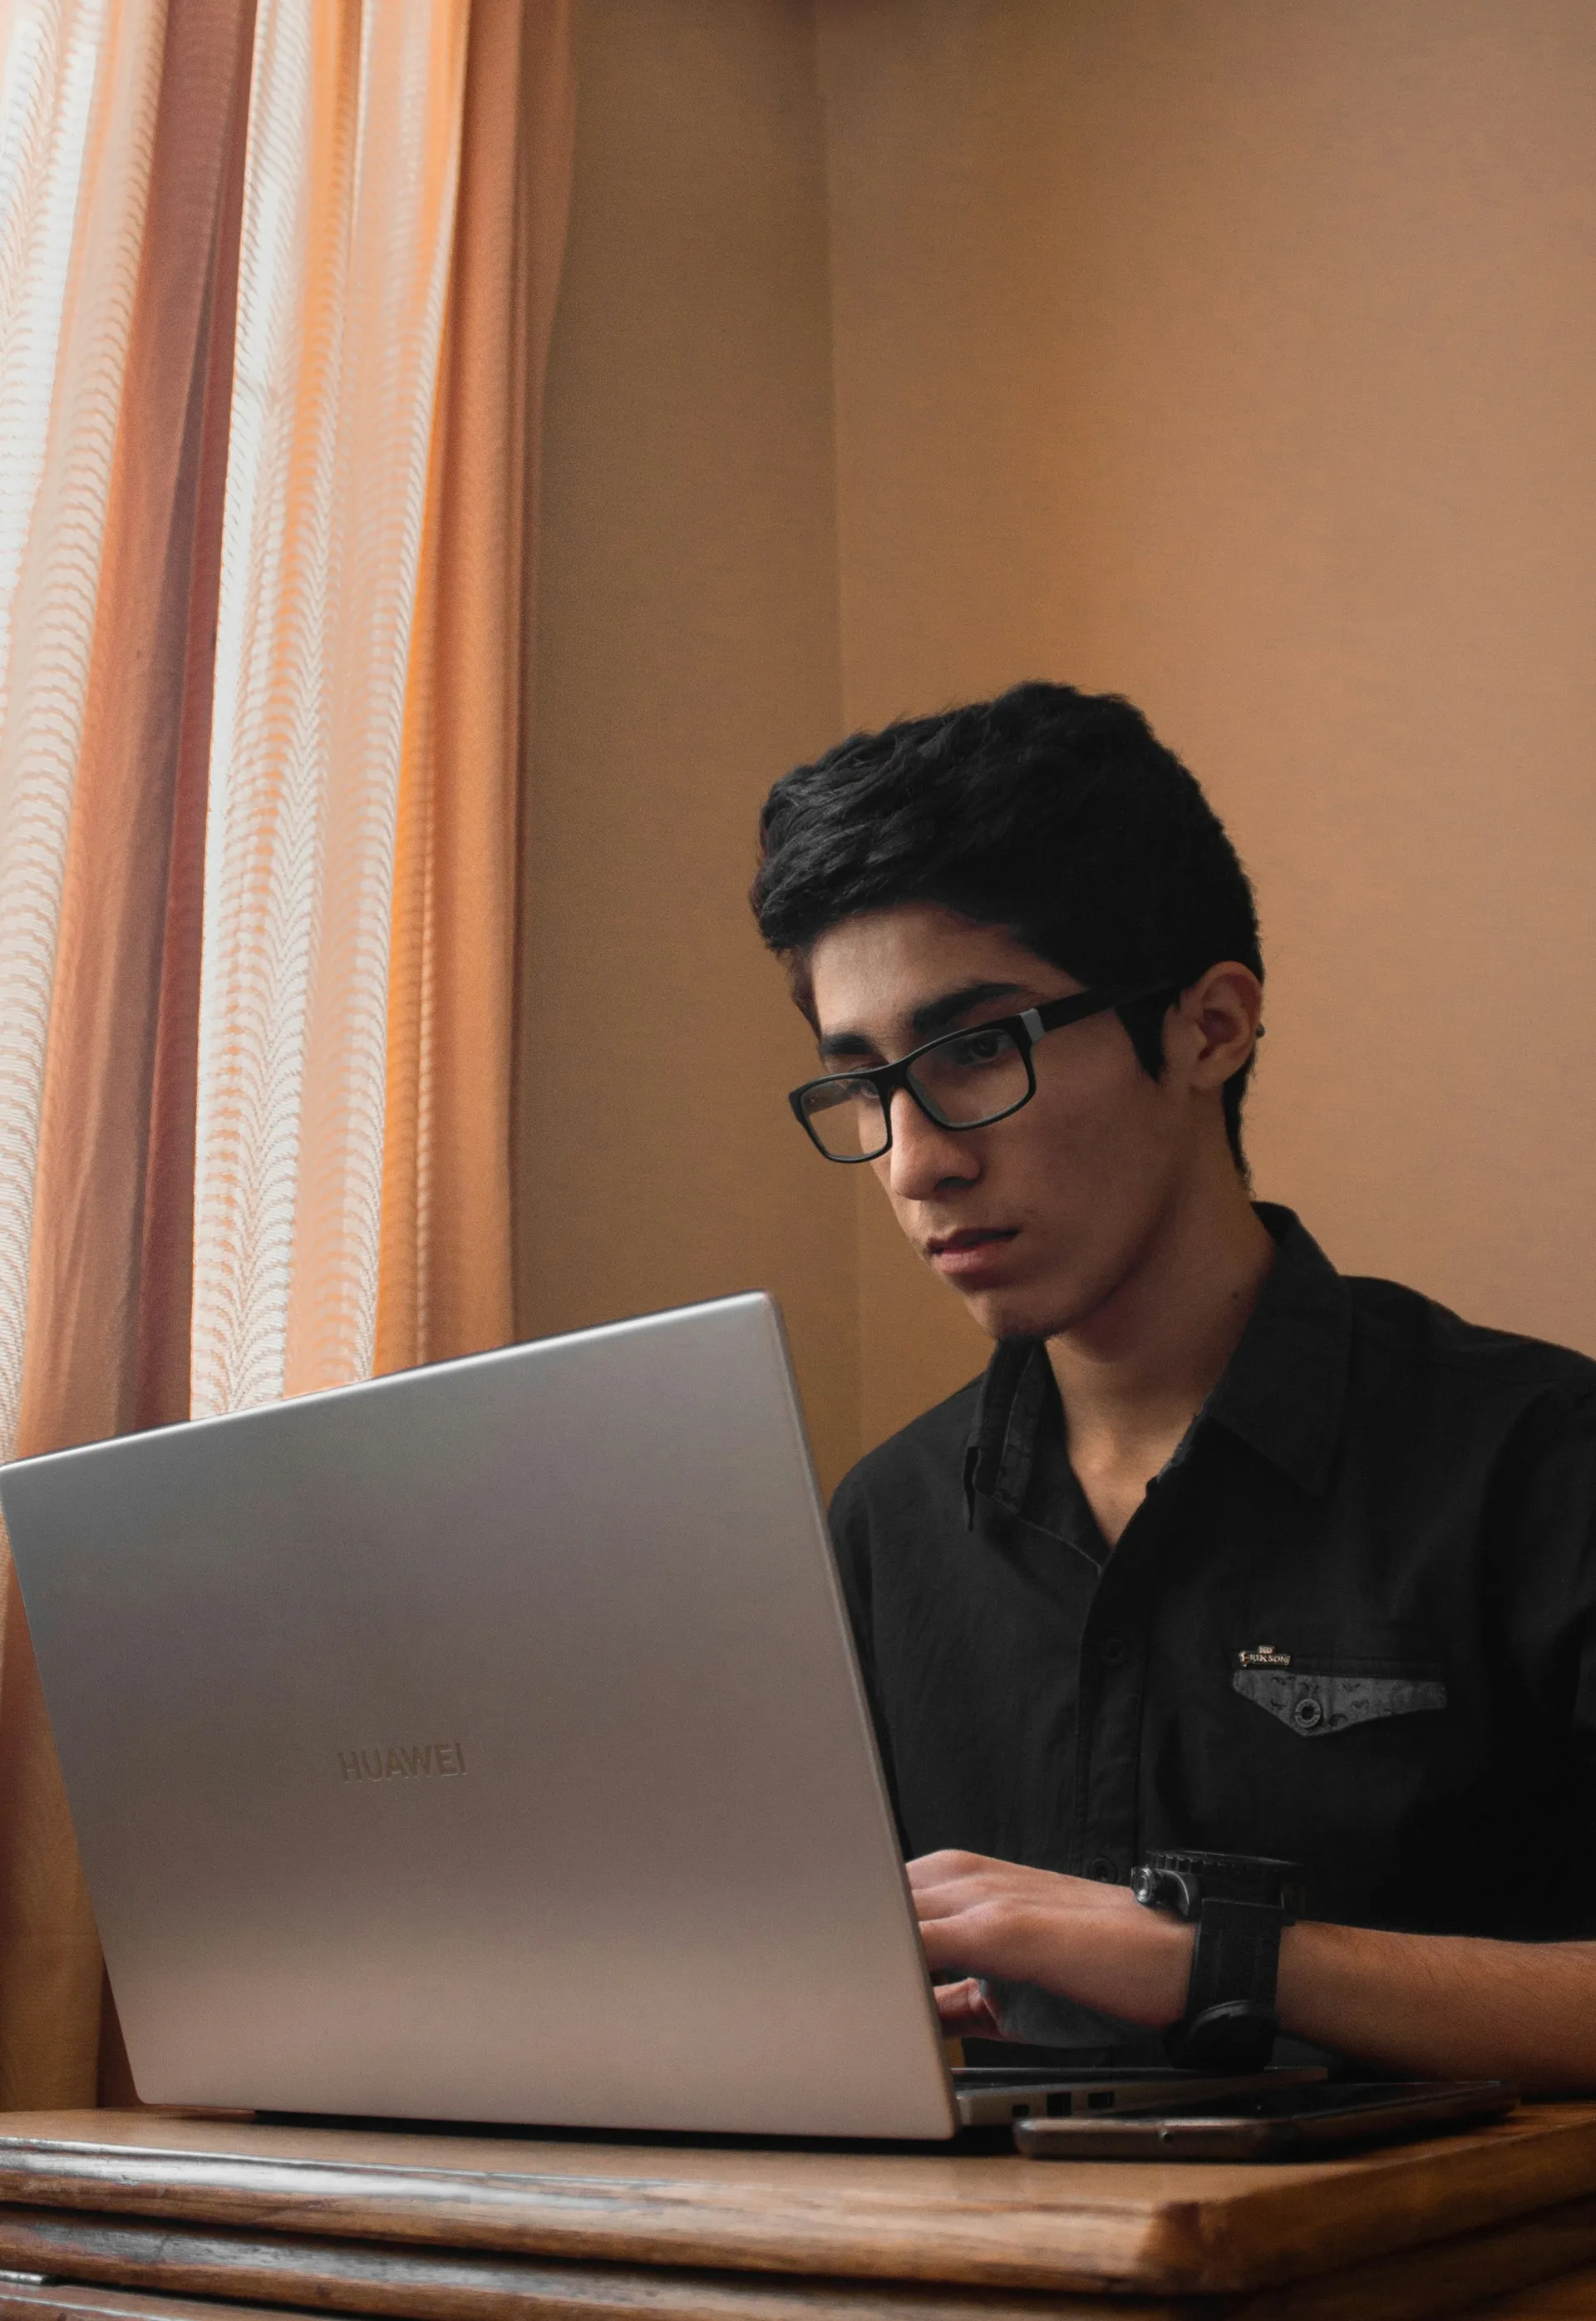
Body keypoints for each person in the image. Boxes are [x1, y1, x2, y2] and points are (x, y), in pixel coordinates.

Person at [751, 680, 1596, 2087]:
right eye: (864, 1087)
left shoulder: (1540, 1463)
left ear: (1210, 1028)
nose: (913, 1163)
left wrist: (1212, 1958)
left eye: (977, 1050)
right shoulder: (885, 1526)